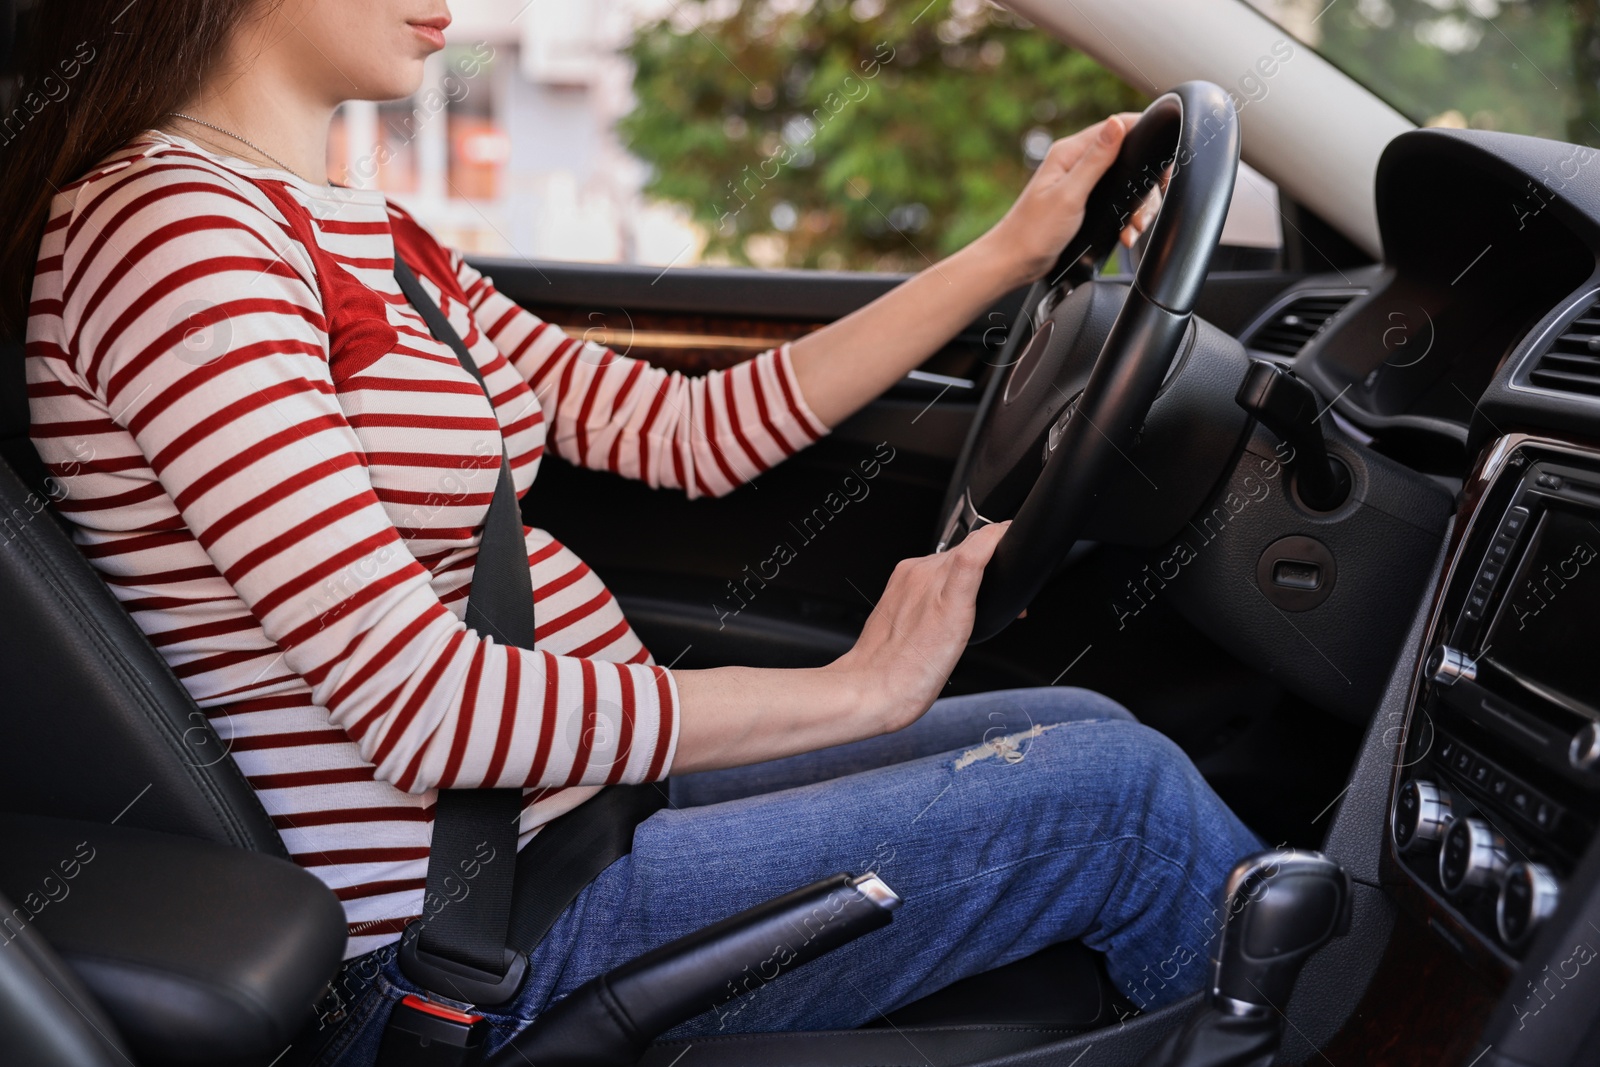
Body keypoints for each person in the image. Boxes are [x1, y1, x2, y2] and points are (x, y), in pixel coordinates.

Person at [1, 1, 1264, 1062]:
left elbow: (689, 431)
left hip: (566, 813)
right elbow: (420, 709)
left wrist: (1012, 250)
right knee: (1122, 804)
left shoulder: (357, 230)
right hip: (448, 930)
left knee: (1088, 730)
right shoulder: (172, 239)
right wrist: (853, 691)